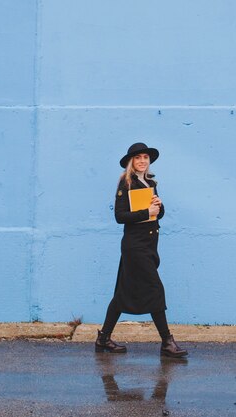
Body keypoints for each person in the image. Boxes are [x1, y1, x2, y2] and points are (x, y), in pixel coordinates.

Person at [95, 142, 188, 358]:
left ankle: (103, 338)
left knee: (121, 293)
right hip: (135, 246)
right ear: (131, 162)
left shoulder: (150, 182)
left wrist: (159, 206)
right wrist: (147, 211)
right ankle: (167, 341)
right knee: (155, 289)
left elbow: (157, 214)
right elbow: (120, 217)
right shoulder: (125, 183)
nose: (142, 161)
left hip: (149, 245)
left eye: (145, 157)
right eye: (138, 158)